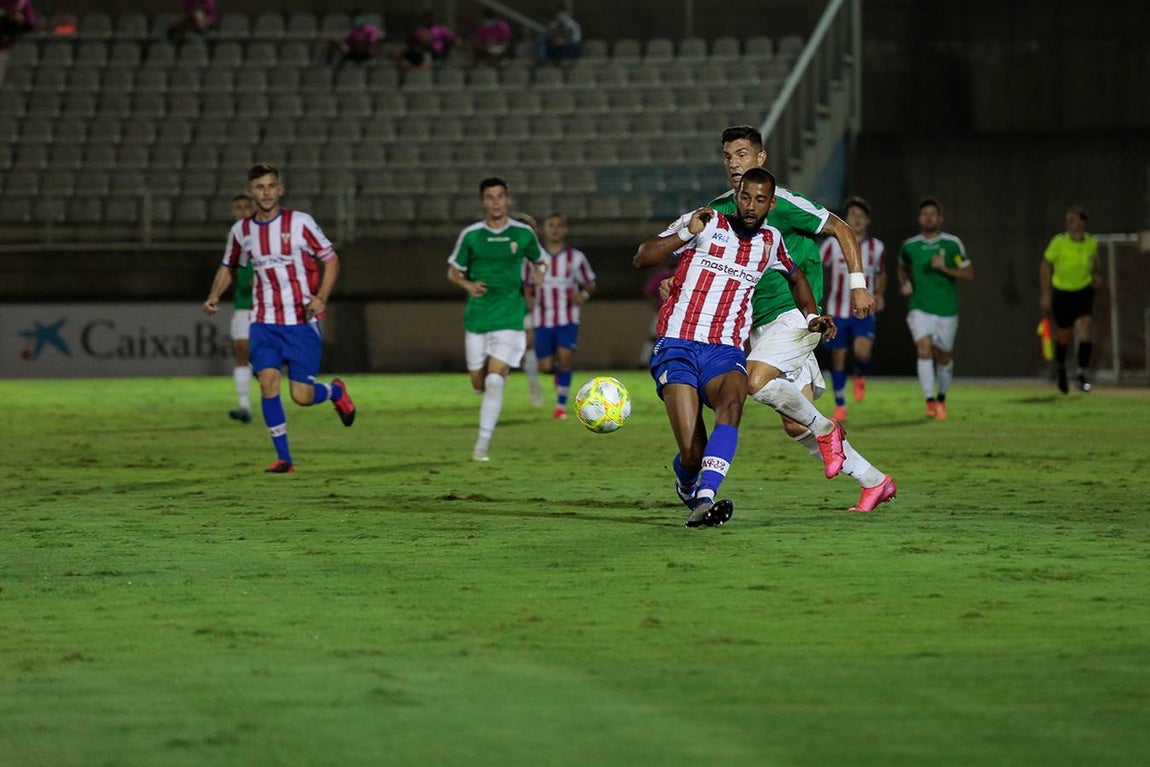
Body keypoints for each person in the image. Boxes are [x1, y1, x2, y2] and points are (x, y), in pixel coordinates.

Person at [706, 125, 896, 513]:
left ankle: (829, 430)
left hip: (797, 316)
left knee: (753, 381)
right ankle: (875, 481)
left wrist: (858, 284)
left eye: (742, 154)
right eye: (728, 156)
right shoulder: (723, 208)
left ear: (761, 159)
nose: (734, 163)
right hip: (757, 325)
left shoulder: (782, 203)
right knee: (795, 423)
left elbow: (841, 228)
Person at [635, 167, 834, 528]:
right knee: (693, 453)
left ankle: (706, 498)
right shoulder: (707, 222)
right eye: (745, 196)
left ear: (770, 204)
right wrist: (685, 232)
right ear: (736, 195)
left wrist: (811, 317)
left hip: (724, 351)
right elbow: (644, 255)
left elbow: (796, 276)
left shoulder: (771, 241)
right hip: (678, 346)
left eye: (760, 200)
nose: (751, 205)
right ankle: (688, 480)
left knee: (734, 398)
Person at [202, 164, 356, 473]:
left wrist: (322, 297)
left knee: (301, 396)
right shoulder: (241, 231)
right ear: (252, 192)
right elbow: (227, 265)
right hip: (263, 322)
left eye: (271, 186)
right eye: (260, 187)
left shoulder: (300, 222)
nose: (266, 192)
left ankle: (336, 392)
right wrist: (214, 295)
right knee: (269, 383)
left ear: (280, 189)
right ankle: (284, 458)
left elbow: (331, 259)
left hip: (300, 321)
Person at [447, 177, 544, 461]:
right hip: (477, 319)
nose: (496, 202)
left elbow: (539, 260)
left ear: (508, 200)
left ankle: (481, 446)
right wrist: (467, 285)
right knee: (478, 383)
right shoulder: (472, 236)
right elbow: (453, 271)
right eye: (490, 197)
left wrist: (540, 273)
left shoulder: (523, 234)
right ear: (483, 202)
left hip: (510, 317)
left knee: (493, 382)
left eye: (500, 196)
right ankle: (497, 372)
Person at [897, 197, 975, 419]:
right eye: (924, 214)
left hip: (947, 309)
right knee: (924, 348)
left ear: (940, 218)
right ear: (919, 218)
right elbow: (901, 266)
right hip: (920, 307)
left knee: (944, 357)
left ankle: (941, 398)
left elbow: (969, 274)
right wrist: (905, 282)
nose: (928, 217)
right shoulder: (910, 246)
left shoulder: (952, 244)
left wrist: (945, 268)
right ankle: (929, 401)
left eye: (932, 214)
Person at [523, 213, 596, 419]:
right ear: (544, 229)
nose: (554, 229)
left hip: (567, 319)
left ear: (565, 230)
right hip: (542, 319)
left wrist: (582, 296)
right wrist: (529, 298)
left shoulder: (576, 257)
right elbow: (528, 286)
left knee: (565, 358)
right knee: (545, 367)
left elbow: (590, 283)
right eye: (551, 225)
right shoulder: (534, 259)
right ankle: (558, 375)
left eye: (559, 226)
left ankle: (561, 407)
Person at [820, 196, 887, 421]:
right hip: (836, 310)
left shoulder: (876, 248)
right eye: (852, 216)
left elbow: (881, 273)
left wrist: (879, 294)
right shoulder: (831, 245)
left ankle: (860, 373)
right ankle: (840, 404)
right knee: (838, 357)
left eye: (860, 217)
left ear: (867, 221)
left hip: (863, 311)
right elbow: (818, 270)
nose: (856, 220)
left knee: (861, 352)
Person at [1040, 205, 1100, 393]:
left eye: (1073, 219)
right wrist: (1046, 293)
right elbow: (1046, 265)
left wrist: (1096, 275)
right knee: (1064, 333)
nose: (1069, 223)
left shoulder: (1091, 242)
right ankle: (1061, 369)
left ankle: (1082, 372)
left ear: (1083, 222)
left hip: (1083, 290)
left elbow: (1095, 263)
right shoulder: (1059, 242)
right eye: (1068, 220)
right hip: (1062, 292)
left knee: (1085, 326)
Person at [226, 193, 255, 423]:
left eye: (247, 207)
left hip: (269, 305)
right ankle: (244, 405)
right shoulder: (235, 236)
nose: (243, 210)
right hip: (244, 303)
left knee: (265, 357)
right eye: (239, 207)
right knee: (242, 351)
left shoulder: (264, 232)